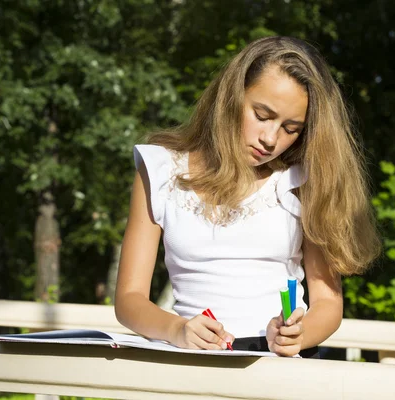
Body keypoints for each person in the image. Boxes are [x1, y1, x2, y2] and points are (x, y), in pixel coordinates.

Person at [114, 36, 380, 358]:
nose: (270, 139)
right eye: (262, 115)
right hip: (187, 361)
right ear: (231, 96)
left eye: (291, 128)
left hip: (278, 369)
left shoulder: (304, 181)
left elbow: (328, 304)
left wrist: (298, 334)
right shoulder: (159, 170)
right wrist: (177, 330)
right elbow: (129, 299)